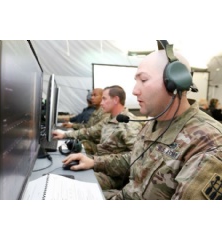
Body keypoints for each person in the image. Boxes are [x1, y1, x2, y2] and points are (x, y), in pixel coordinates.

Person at [62, 45, 222, 200]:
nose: (134, 90)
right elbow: (137, 157)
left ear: (175, 83)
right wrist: (95, 162)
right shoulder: (154, 122)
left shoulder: (208, 143)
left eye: (144, 80)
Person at [53, 85, 142, 190]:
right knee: (62, 173)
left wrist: (95, 162)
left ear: (115, 100)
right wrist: (65, 135)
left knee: (71, 183)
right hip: (100, 165)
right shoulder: (110, 118)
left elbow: (137, 157)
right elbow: (90, 131)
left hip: (113, 176)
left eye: (104, 99)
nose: (101, 103)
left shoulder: (129, 123)